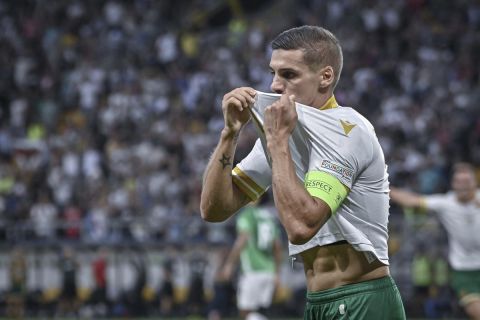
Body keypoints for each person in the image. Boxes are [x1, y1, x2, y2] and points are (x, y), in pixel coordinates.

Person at [200, 25, 405, 319]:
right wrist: (230, 134)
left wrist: (278, 142)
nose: (274, 85)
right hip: (317, 303)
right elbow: (213, 210)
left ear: (325, 77)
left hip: (362, 299)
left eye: (289, 74)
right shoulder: (281, 133)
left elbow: (301, 227)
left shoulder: (347, 129)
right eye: (273, 73)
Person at [390, 162, 480, 319]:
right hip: (464, 271)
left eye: (467, 181)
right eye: (459, 182)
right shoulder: (446, 203)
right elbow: (411, 201)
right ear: (453, 184)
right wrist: (383, 186)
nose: (463, 186)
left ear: (475, 183)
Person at [219, 197, 282, 320]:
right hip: (269, 270)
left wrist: (229, 264)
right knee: (260, 311)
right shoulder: (269, 217)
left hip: (252, 270)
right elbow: (277, 247)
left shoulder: (247, 214)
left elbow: (242, 239)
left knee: (245, 312)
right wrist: (277, 272)